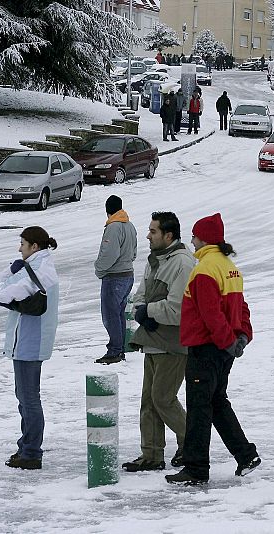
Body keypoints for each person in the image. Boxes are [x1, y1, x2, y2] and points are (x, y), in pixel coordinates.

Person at [166, 213, 260, 485]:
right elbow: (241, 307)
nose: (192, 241)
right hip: (223, 349)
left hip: (206, 348)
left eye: (194, 236)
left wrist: (228, 341)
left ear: (204, 238)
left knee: (199, 409)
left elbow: (211, 314)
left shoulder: (205, 269)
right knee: (217, 402)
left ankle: (195, 469)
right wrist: (241, 336)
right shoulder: (229, 266)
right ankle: (245, 455)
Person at [122, 212, 196, 472]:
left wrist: (148, 312)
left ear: (169, 235)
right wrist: (142, 311)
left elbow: (178, 308)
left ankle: (192, 444)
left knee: (163, 398)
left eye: (153, 231)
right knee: (149, 401)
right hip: (152, 339)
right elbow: (140, 296)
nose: (148, 235)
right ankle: (151, 455)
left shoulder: (183, 263)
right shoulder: (154, 261)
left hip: (173, 343)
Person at [0, 226, 59, 470]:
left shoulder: (37, 271)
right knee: (25, 397)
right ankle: (27, 447)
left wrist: (9, 272)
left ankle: (31, 452)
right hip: (29, 342)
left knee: (29, 399)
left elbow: (0, 294)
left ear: (34, 246)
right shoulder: (39, 267)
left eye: (22, 244)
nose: (19, 248)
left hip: (30, 343)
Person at [94, 195, 137, 365]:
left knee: (110, 316)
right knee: (118, 314)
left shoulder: (113, 227)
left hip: (114, 277)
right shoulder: (130, 226)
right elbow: (134, 252)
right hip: (127, 275)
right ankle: (118, 349)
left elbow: (109, 254)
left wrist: (99, 269)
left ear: (107, 210)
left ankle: (115, 351)